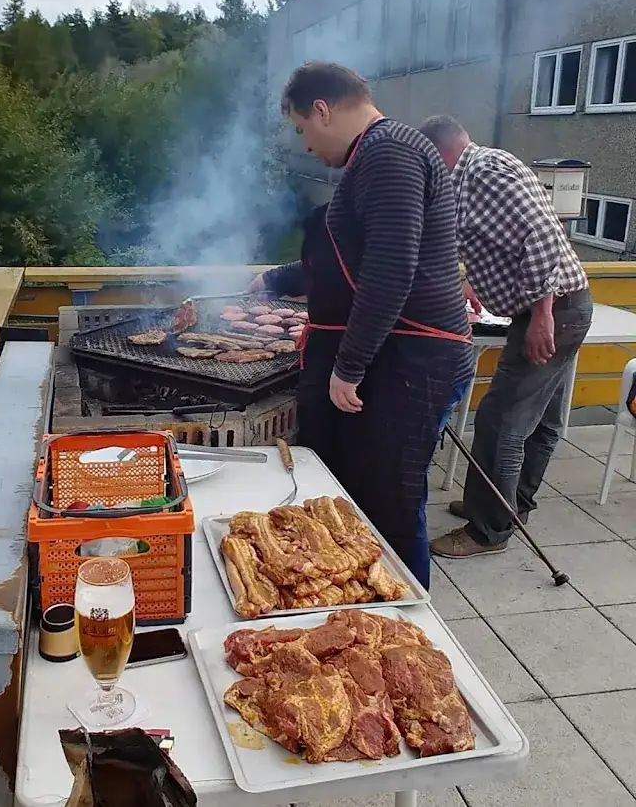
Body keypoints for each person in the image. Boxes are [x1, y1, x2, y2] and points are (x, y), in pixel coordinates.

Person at [248, 62, 474, 589]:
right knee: (370, 492)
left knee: (392, 498)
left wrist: (348, 366)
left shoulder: (388, 151)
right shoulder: (379, 153)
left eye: (302, 128)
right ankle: (370, 601)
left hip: (420, 357)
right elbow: (352, 259)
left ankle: (410, 618)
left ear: (322, 110)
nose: (305, 145)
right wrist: (285, 280)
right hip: (403, 353)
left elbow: (391, 270)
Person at [418, 116, 593, 558]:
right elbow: (500, 239)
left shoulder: (484, 174)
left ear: (441, 153)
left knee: (501, 420)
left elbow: (542, 236)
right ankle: (512, 505)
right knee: (543, 419)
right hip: (560, 306)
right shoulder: (481, 171)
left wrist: (541, 315)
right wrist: (475, 280)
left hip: (555, 309)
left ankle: (488, 530)